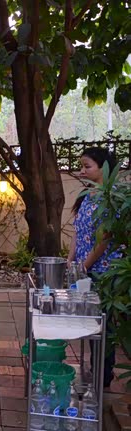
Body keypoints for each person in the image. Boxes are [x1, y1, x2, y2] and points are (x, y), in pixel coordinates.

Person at [68, 147, 121, 387]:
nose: (82, 171)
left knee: (102, 325)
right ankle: (94, 370)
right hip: (85, 270)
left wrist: (84, 266)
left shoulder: (110, 199)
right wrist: (70, 260)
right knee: (90, 322)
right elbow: (77, 232)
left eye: (87, 166)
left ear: (104, 168)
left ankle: (103, 375)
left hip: (103, 271)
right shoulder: (87, 196)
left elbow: (104, 240)